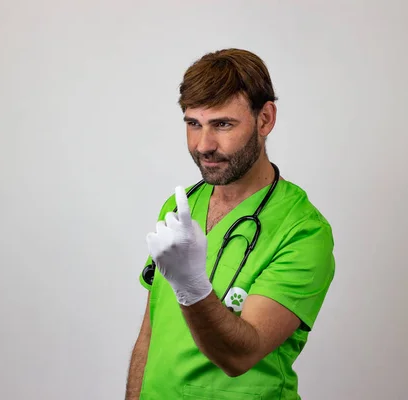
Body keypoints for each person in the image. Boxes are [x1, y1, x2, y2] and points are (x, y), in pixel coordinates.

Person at [125, 48, 335, 400]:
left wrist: (191, 284)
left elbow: (241, 355)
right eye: (194, 124)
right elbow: (151, 331)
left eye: (222, 124)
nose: (204, 145)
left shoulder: (303, 231)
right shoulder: (181, 206)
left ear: (265, 119)